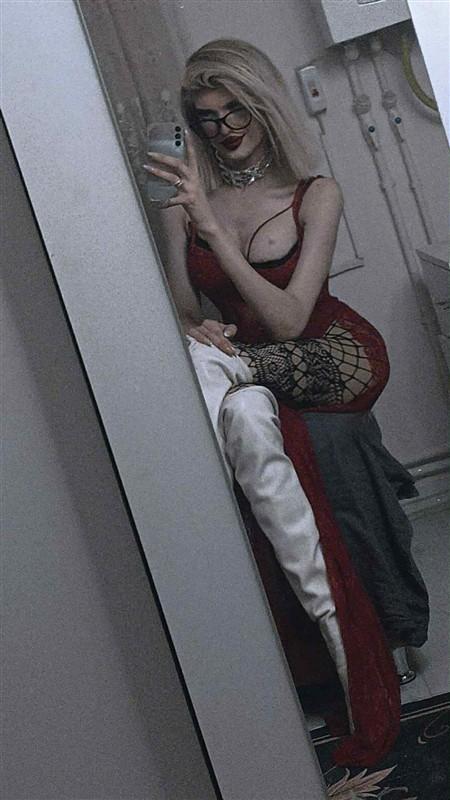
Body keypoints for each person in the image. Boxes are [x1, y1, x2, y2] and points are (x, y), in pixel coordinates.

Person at [143, 38, 429, 765]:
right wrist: (196, 321)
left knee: (282, 414)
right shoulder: (184, 204)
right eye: (207, 118)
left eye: (236, 110)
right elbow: (183, 306)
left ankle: (383, 631)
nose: (224, 129)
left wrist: (215, 231)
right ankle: (300, 653)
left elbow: (292, 319)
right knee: (230, 406)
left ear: (262, 105)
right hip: (252, 358)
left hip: (332, 356)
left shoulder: (316, 193)